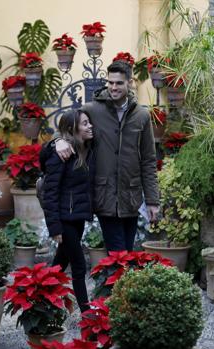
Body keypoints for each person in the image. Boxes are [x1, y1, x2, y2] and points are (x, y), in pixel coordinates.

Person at [55, 60, 160, 252]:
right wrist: (58, 141)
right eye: (110, 82)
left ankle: (117, 283)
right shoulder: (93, 109)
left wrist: (152, 201)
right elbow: (66, 126)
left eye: (119, 83)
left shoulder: (141, 116)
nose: (113, 87)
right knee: (118, 252)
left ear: (129, 82)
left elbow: (148, 160)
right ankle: (117, 282)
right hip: (105, 195)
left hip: (131, 195)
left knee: (127, 252)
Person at [41, 109, 94, 313]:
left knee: (58, 266)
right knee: (79, 266)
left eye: (89, 122)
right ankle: (88, 316)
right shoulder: (60, 154)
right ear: (73, 129)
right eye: (85, 123)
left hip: (77, 218)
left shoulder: (86, 149)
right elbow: (50, 192)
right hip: (64, 220)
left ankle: (38, 301)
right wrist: (54, 227)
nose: (90, 126)